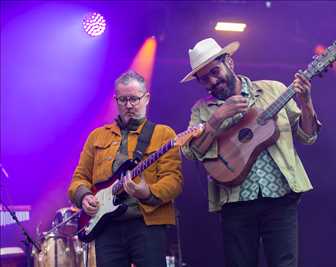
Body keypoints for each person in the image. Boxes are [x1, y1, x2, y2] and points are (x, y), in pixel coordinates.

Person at [180, 38, 322, 267]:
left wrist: (306, 102)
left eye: (215, 71)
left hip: (281, 197)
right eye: (204, 78)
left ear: (230, 62)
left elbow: (308, 136)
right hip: (235, 203)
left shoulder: (274, 89)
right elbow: (192, 152)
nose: (212, 81)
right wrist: (216, 120)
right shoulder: (201, 110)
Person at [68, 70, 183, 267]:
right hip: (106, 227)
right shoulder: (97, 137)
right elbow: (79, 178)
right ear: (115, 100)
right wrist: (84, 196)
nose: (129, 105)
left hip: (147, 225)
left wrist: (147, 192)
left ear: (146, 98)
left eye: (134, 99)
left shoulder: (164, 134)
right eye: (123, 100)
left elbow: (174, 181)